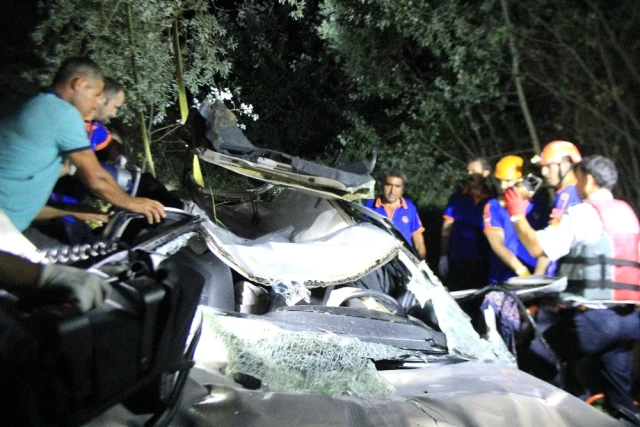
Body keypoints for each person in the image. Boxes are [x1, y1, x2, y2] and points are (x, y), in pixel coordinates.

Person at [504, 155, 640, 421]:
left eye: (577, 176)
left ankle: (556, 415)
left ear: (588, 179)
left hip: (595, 322)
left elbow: (537, 248)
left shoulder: (584, 213)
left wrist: (517, 215)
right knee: (621, 400)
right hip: (630, 323)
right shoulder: (628, 212)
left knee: (535, 353)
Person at [0, 57, 165, 235]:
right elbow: (95, 178)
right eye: (96, 96)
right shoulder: (63, 114)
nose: (96, 104)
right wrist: (132, 202)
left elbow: (23, 206)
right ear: (80, 83)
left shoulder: (31, 105)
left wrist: (71, 209)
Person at [482, 155, 548, 284]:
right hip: (505, 277)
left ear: (522, 180)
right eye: (500, 180)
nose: (502, 186)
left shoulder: (538, 205)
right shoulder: (493, 206)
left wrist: (536, 278)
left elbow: (548, 244)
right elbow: (497, 245)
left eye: (508, 181)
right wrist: (522, 271)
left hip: (539, 274)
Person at [439, 158, 493, 290]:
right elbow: (446, 229)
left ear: (486, 173)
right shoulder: (457, 198)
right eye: (468, 171)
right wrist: (443, 256)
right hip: (459, 260)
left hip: (485, 261)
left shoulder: (493, 199)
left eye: (474, 171)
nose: (469, 174)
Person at [365, 167, 427, 261]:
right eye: (389, 185)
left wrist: (423, 263)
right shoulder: (370, 206)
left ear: (402, 188)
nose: (392, 191)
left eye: (397, 186)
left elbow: (417, 237)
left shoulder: (409, 208)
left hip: (403, 262)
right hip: (376, 261)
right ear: (382, 185)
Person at [533, 140, 582, 225]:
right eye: (543, 167)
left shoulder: (570, 194)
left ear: (565, 165)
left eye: (548, 166)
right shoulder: (568, 191)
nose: (543, 172)